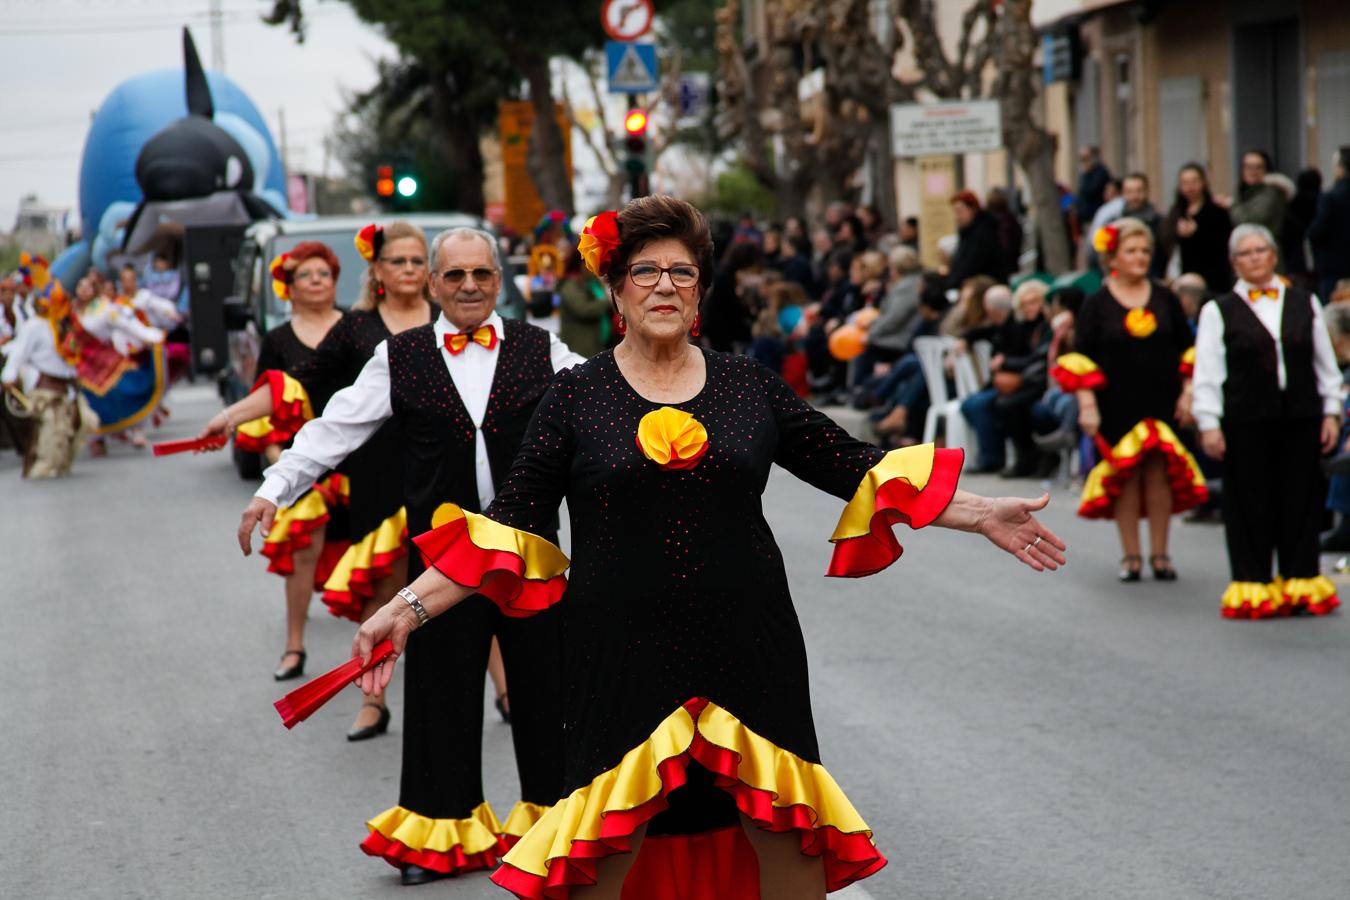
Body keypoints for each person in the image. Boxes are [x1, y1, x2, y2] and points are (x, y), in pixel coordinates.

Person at [346, 194, 1067, 900]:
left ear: (701, 292)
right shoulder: (574, 397)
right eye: (645, 271)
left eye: (682, 272)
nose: (664, 285)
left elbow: (857, 466)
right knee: (604, 854)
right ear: (616, 289)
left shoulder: (748, 386)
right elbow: (509, 527)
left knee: (784, 846)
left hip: (749, 650)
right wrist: (405, 609)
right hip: (619, 657)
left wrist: (980, 513)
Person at [232, 225, 584, 884]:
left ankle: (558, 832)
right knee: (440, 693)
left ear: (499, 280)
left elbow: (608, 403)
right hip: (443, 561)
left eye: (482, 274)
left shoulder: (542, 348)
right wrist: (273, 491)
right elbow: (333, 429)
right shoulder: (400, 355)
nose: (470, 286)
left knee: (548, 696)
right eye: (455, 275)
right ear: (433, 284)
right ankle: (438, 835)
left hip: (528, 555)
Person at [204, 220, 434, 738]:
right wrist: (233, 415)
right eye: (397, 261)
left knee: (468, 582)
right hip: (376, 471)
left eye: (417, 261)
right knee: (383, 587)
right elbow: (296, 384)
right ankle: (372, 700)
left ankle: (506, 693)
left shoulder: (448, 321)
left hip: (441, 470)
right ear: (376, 269)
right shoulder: (355, 329)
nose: (408, 270)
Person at [1191, 223, 1343, 619]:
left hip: (1301, 414)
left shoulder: (1304, 302)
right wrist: (1209, 423)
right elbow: (1207, 371)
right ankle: (1253, 582)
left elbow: (1324, 363)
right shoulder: (1218, 310)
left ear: (1274, 255)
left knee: (1301, 497)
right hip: (1245, 418)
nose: (1255, 258)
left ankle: (1301, 579)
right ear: (1234, 262)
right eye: (1246, 253)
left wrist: (1331, 411)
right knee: (1249, 500)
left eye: (1261, 250)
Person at [1055, 218, 1207, 581]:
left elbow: (1188, 350)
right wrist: (1087, 406)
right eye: (1132, 250)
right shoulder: (1096, 304)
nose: (1140, 257)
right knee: (1126, 475)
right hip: (1115, 402)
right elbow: (1081, 359)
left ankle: (1161, 554)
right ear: (1112, 258)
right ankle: (1131, 556)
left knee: (1159, 474)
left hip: (1162, 398)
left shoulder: (1165, 297)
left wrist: (1188, 393)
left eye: (1145, 251)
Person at [232, 242, 348, 682]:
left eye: (324, 273)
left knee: (387, 555)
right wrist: (275, 456)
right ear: (290, 287)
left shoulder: (356, 326)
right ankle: (294, 646)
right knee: (302, 550)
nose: (317, 280)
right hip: (302, 459)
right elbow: (266, 401)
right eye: (306, 275)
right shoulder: (279, 339)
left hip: (363, 458)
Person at [1, 282, 101, 477]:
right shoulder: (34, 326)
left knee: (81, 424)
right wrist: (9, 375)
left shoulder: (67, 325)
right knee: (51, 434)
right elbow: (18, 352)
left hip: (69, 387)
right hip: (47, 388)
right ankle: (43, 468)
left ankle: (62, 464)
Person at [958, 281, 1052, 477]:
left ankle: (1024, 457)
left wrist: (1006, 362)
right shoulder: (1022, 326)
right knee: (984, 403)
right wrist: (966, 338)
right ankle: (1015, 457)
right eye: (1025, 304)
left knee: (1002, 404)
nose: (1029, 308)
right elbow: (991, 332)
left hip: (1035, 381)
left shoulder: (1045, 327)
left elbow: (1037, 360)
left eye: (1034, 302)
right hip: (1023, 380)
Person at [1163, 163, 1232, 293]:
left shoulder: (1217, 211)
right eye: (1185, 183)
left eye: (1194, 181)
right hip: (1185, 278)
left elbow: (1223, 244)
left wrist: (1197, 233)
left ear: (1203, 183)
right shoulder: (1176, 212)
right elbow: (1166, 242)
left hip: (1214, 280)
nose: (1190, 187)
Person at [1308, 146, 1350, 302]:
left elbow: (1317, 231)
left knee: (1333, 310)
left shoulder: (1331, 197)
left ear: (1341, 168)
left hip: (1334, 267)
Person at [557, 245, 610, 358]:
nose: (594, 267)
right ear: (580, 265)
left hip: (598, 342)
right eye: (590, 263)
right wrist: (608, 301)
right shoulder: (570, 285)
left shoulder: (592, 281)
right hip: (581, 347)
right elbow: (584, 309)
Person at [947, 190, 1005, 287]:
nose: (957, 217)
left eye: (960, 211)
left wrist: (951, 283)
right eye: (955, 212)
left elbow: (970, 266)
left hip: (984, 286)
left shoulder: (983, 234)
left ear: (973, 209)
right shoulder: (969, 232)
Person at [1226, 150, 1287, 237]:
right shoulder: (1242, 189)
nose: (1253, 171)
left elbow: (1248, 221)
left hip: (1264, 241)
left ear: (1266, 169)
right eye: (1248, 167)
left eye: (1258, 167)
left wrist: (1231, 204)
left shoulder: (1272, 192)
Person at [1076, 145, 1112, 231]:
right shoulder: (1086, 173)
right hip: (1087, 217)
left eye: (1086, 158)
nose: (1084, 162)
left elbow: (1091, 190)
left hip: (1097, 215)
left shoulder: (1100, 172)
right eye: (1082, 159)